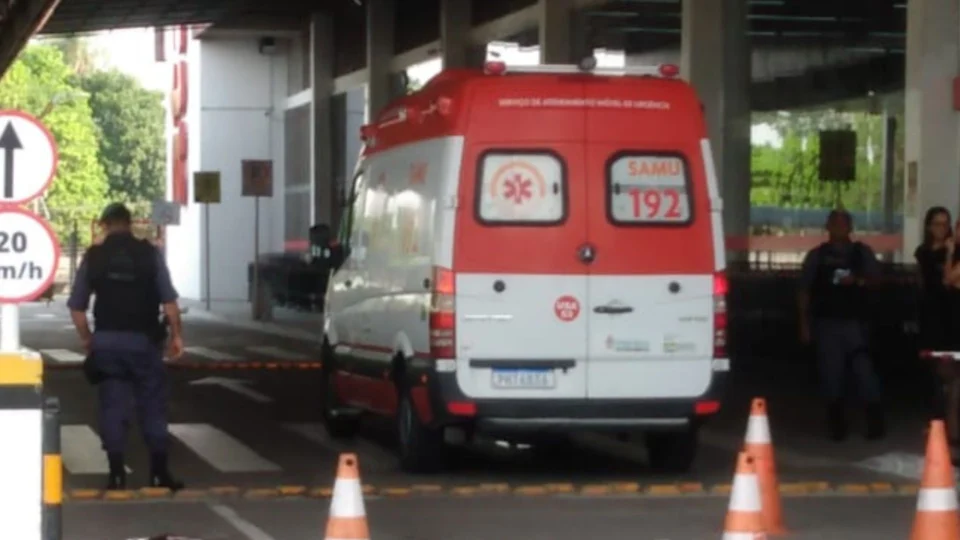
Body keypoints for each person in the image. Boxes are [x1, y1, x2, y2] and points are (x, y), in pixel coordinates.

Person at [67, 202, 185, 491]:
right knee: (153, 406)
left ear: (105, 225)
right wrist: (177, 337)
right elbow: (169, 303)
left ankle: (116, 473)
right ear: (130, 223)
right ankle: (159, 473)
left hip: (107, 342)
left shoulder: (94, 257)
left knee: (112, 406)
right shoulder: (149, 254)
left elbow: (77, 308)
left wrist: (87, 339)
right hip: (144, 342)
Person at [798, 209, 885, 441]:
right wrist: (804, 323)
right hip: (827, 323)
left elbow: (877, 281)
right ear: (827, 227)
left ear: (850, 227)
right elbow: (804, 291)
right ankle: (837, 425)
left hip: (857, 323)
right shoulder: (817, 256)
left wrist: (857, 281)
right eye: (834, 223)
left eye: (842, 223)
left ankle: (874, 421)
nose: (838, 227)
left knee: (865, 373)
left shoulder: (862, 252)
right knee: (831, 375)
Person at [914, 207, 959, 441]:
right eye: (937, 223)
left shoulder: (954, 250)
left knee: (949, 372)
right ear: (929, 226)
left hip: (950, 314)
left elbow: (948, 282)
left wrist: (951, 253)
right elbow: (922, 283)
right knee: (932, 371)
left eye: (945, 223)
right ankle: (936, 421)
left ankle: (946, 425)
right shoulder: (922, 252)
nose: (941, 228)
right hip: (929, 315)